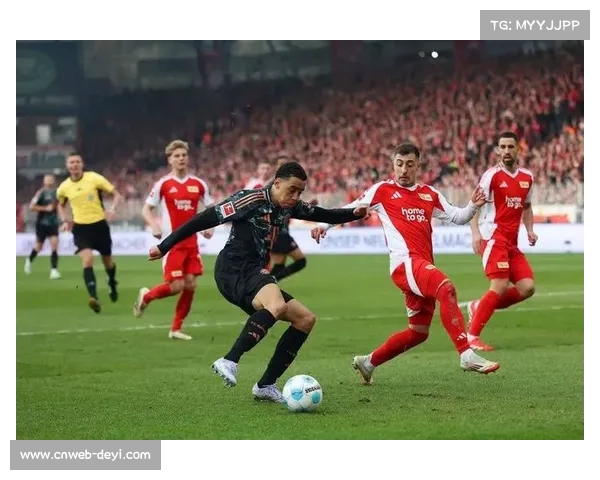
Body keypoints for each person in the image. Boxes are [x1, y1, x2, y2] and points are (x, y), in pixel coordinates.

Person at [148, 161, 368, 402]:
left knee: (305, 319)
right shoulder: (249, 200)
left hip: (253, 272)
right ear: (277, 183)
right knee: (277, 305)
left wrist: (352, 213)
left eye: (300, 192)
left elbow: (322, 213)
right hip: (233, 268)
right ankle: (229, 360)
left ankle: (265, 385)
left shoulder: (288, 206)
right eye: (292, 190)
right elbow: (203, 219)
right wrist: (164, 246)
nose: (296, 197)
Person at [311, 143, 500, 385]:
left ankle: (368, 362)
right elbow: (348, 209)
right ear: (393, 165)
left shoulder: (429, 194)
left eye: (409, 164)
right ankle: (466, 354)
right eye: (399, 164)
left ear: (418, 166)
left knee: (418, 332)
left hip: (420, 266)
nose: (403, 169)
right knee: (446, 288)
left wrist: (473, 205)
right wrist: (323, 225)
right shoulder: (383, 190)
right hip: (405, 264)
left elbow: (458, 217)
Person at [135, 140, 214, 340]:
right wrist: (154, 225)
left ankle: (176, 329)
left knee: (190, 285)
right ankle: (146, 296)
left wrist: (209, 227)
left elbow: (212, 209)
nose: (181, 159)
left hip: (192, 243)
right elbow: (146, 209)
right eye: (176, 156)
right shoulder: (163, 184)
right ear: (169, 160)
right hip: (172, 244)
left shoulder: (198, 184)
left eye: (184, 155)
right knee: (175, 286)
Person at [466, 132, 537, 351]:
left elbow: (527, 207)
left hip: (511, 242)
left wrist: (530, 230)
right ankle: (471, 337)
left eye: (510, 147)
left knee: (527, 287)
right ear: (498, 150)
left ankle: (478, 306)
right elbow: (473, 204)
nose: (506, 151)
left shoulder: (527, 177)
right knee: (499, 284)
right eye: (502, 147)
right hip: (492, 237)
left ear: (518, 149)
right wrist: (475, 233)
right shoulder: (491, 176)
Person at [56, 153, 122, 313]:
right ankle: (94, 297)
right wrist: (65, 220)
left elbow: (116, 194)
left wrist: (112, 209)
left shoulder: (94, 178)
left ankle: (112, 282)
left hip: (99, 226)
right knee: (87, 260)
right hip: (80, 228)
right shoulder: (64, 187)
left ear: (82, 164)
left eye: (77, 162)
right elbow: (60, 204)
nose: (74, 165)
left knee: (108, 262)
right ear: (67, 166)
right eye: (71, 162)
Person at [25, 174, 61, 279]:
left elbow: (59, 205)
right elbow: (32, 207)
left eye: (51, 179)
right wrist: (45, 208)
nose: (49, 181)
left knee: (54, 245)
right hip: (42, 223)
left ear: (54, 181)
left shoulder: (57, 192)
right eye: (47, 179)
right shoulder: (41, 193)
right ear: (44, 181)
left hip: (53, 223)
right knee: (39, 246)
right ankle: (29, 260)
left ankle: (54, 270)